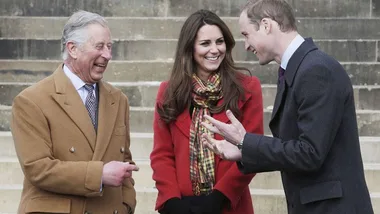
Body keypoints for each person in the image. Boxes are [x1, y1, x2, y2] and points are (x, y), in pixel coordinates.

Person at [201, 0, 374, 214]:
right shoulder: (300, 68)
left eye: (246, 34)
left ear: (266, 25)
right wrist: (243, 151)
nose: (245, 45)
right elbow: (295, 148)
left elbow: (309, 153)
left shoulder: (316, 70)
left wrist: (246, 141)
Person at [11, 10, 139, 214]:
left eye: (109, 46)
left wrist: (126, 204)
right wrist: (99, 175)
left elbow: (124, 161)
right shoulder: (32, 100)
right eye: (99, 47)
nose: (107, 55)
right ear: (73, 49)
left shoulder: (119, 100)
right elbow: (38, 168)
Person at [150, 9, 263, 214]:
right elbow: (162, 154)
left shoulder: (248, 88)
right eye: (205, 43)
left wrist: (219, 197)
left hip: (228, 205)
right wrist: (172, 201)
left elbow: (252, 151)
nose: (215, 49)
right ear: (190, 48)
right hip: (181, 207)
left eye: (219, 42)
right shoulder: (168, 92)